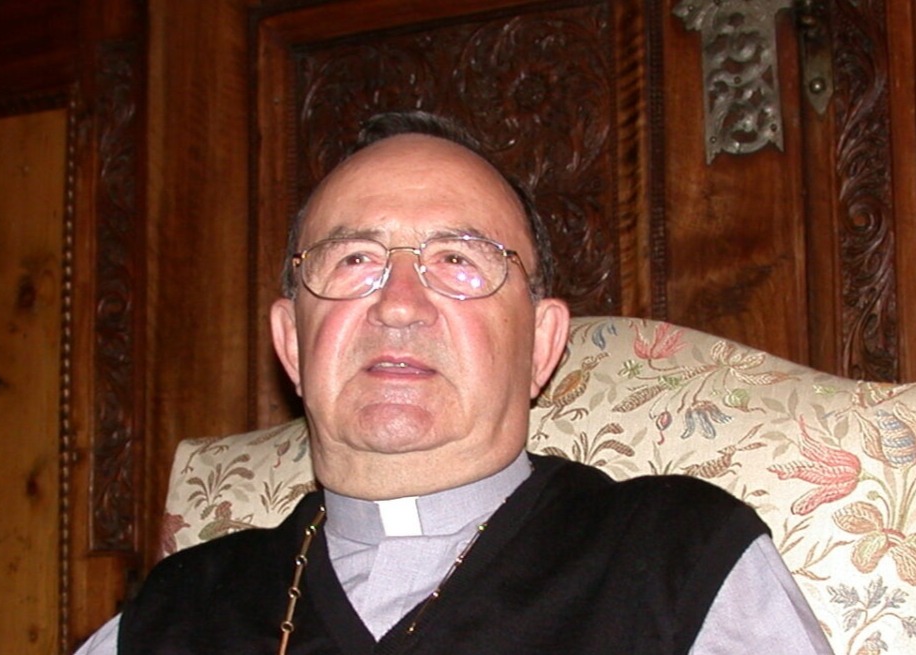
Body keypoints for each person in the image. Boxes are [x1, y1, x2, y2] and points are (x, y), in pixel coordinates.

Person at [76, 111, 832, 654]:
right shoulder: (175, 609)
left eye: (459, 262)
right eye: (354, 260)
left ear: (541, 345)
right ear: (290, 344)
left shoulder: (677, 556)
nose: (399, 303)